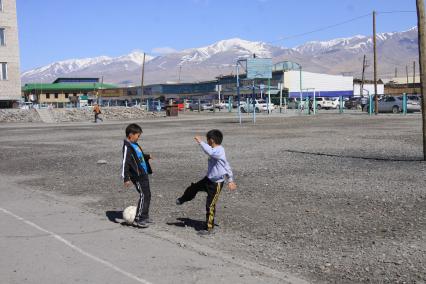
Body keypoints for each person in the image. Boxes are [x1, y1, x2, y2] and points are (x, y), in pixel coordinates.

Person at [176, 129, 237, 235]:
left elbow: (211, 153)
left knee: (210, 205)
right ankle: (183, 199)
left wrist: (230, 180)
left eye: (207, 140)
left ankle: (209, 228)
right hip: (208, 180)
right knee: (193, 188)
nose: (207, 142)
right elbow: (223, 162)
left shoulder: (219, 151)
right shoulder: (215, 149)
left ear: (211, 140)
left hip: (216, 184)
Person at [121, 123, 153, 228]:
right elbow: (125, 162)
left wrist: (147, 156)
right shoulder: (127, 146)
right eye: (138, 135)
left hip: (143, 173)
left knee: (147, 195)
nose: (138, 137)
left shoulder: (135, 145)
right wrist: (126, 178)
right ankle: (139, 219)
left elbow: (140, 156)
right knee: (143, 195)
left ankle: (144, 216)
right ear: (131, 134)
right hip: (137, 176)